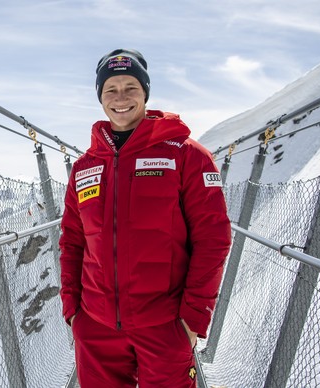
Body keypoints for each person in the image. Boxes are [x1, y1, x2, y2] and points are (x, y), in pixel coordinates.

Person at [59, 48, 232, 387]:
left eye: (130, 87)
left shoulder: (187, 155)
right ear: (100, 97)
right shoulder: (84, 167)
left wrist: (191, 321)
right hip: (95, 326)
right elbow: (72, 241)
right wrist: (74, 312)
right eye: (111, 89)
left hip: (165, 325)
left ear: (145, 93)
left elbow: (213, 238)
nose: (120, 97)